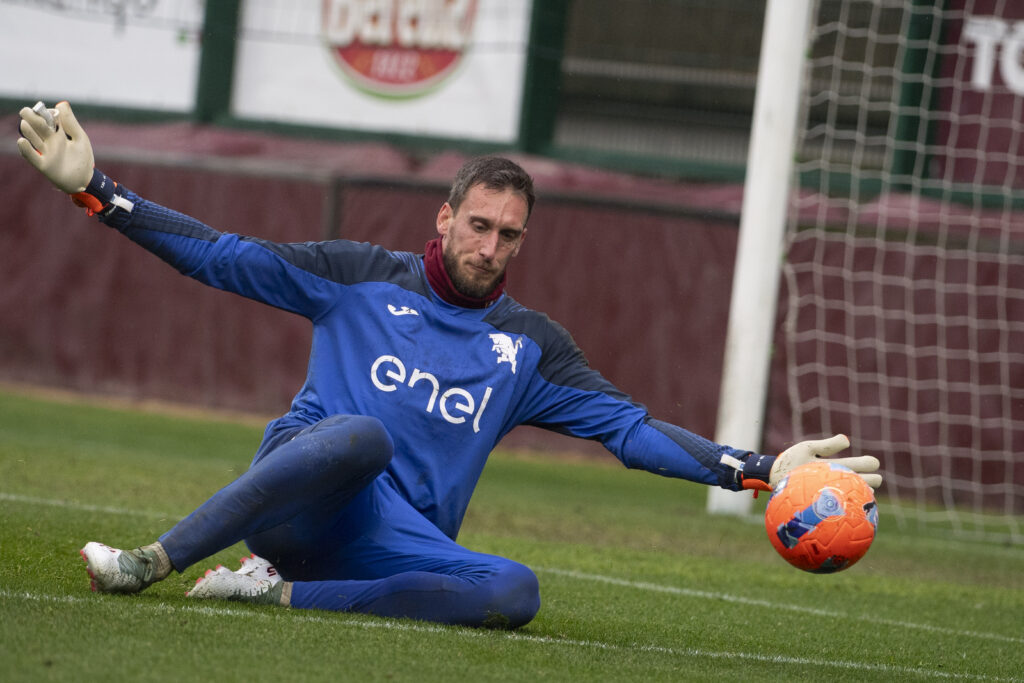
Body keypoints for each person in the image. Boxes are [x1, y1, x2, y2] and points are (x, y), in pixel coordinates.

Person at [16, 102, 881, 629]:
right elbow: (223, 254)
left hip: (392, 550)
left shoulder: (530, 346)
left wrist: (766, 470)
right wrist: (101, 190)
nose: (491, 245)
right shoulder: (356, 276)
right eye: (479, 225)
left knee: (516, 591)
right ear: (445, 218)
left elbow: (631, 430)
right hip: (302, 503)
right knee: (359, 434)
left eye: (510, 234)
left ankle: (271, 598)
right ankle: (152, 561)